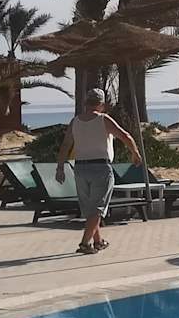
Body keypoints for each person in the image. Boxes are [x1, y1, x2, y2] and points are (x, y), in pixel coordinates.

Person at [56, 89, 144, 255]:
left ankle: (98, 241)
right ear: (102, 104)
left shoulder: (75, 121)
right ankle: (84, 243)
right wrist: (135, 153)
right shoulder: (103, 119)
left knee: (90, 209)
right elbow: (125, 135)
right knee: (98, 208)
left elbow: (66, 145)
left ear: (85, 103)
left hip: (80, 168)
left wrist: (60, 167)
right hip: (100, 167)